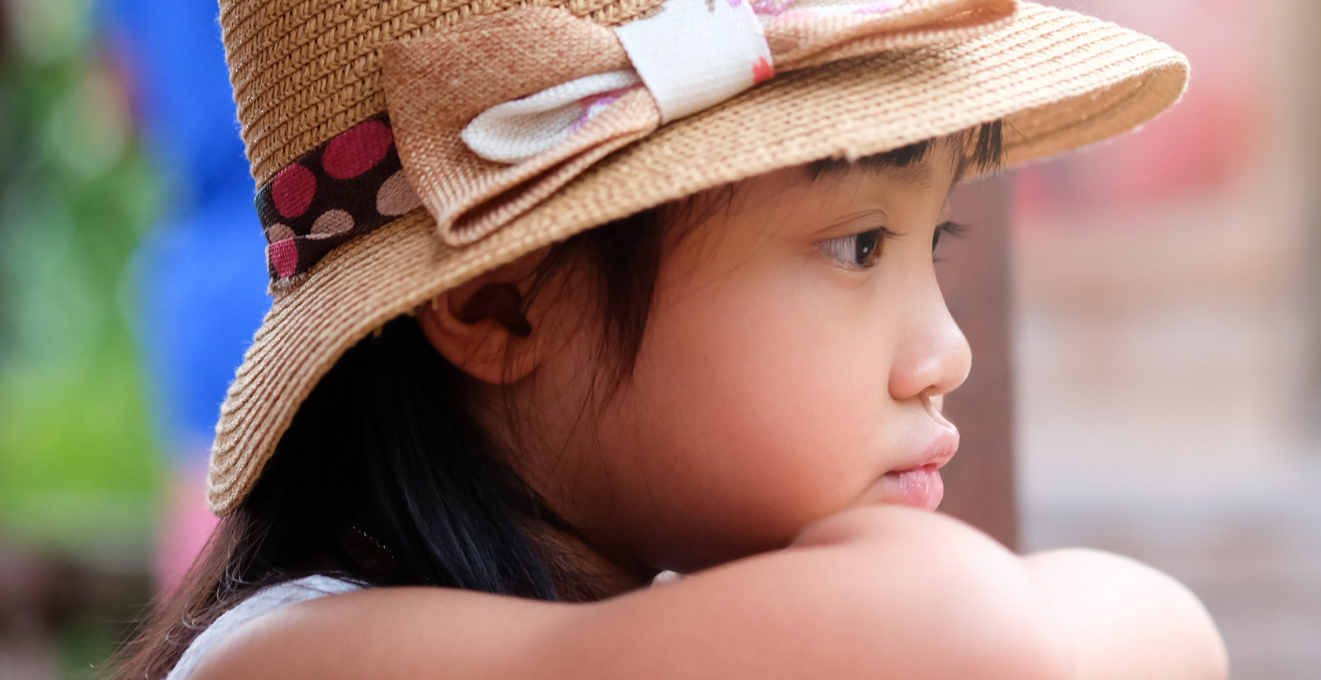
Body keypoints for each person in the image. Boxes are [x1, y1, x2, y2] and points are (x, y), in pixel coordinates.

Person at [112, 0, 1225, 678]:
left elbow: (1175, 632)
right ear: (501, 303)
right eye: (855, 247)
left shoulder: (646, 617)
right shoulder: (293, 657)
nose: (945, 352)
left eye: (932, 240)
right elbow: (978, 633)